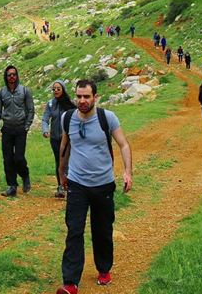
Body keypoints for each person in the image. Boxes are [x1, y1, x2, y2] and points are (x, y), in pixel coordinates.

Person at [56, 80, 133, 294]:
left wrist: (128, 172)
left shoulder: (106, 118)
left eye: (86, 97)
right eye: (79, 96)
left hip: (103, 185)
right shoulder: (68, 118)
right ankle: (70, 283)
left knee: (102, 231)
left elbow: (124, 144)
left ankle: (104, 269)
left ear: (95, 97)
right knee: (74, 230)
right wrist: (62, 172)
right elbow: (65, 145)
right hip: (77, 184)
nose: (82, 101)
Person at [0, 65, 35, 196]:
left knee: (19, 158)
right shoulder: (1, 92)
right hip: (7, 129)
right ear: (6, 76)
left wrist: (27, 126)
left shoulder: (25, 91)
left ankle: (25, 176)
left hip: (21, 129)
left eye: (14, 74)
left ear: (17, 76)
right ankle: (12, 186)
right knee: (7, 158)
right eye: (9, 75)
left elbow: (31, 110)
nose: (12, 77)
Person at [42, 80, 76, 198]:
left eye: (58, 88)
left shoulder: (70, 104)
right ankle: (61, 186)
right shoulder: (51, 104)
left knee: (67, 161)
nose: (55, 91)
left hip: (67, 139)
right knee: (59, 161)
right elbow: (45, 119)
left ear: (63, 90)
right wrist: (45, 130)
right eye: (54, 89)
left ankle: (71, 186)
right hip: (55, 138)